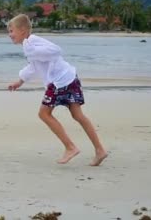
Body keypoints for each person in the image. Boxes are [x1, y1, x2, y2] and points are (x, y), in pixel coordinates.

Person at [7, 14, 107, 165]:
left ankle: (70, 147)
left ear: (22, 30)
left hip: (59, 81)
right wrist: (20, 80)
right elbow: (34, 66)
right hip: (69, 77)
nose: (9, 34)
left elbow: (56, 50)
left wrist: (32, 52)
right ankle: (100, 150)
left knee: (44, 114)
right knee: (78, 115)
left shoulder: (32, 41)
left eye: (11, 30)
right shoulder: (29, 45)